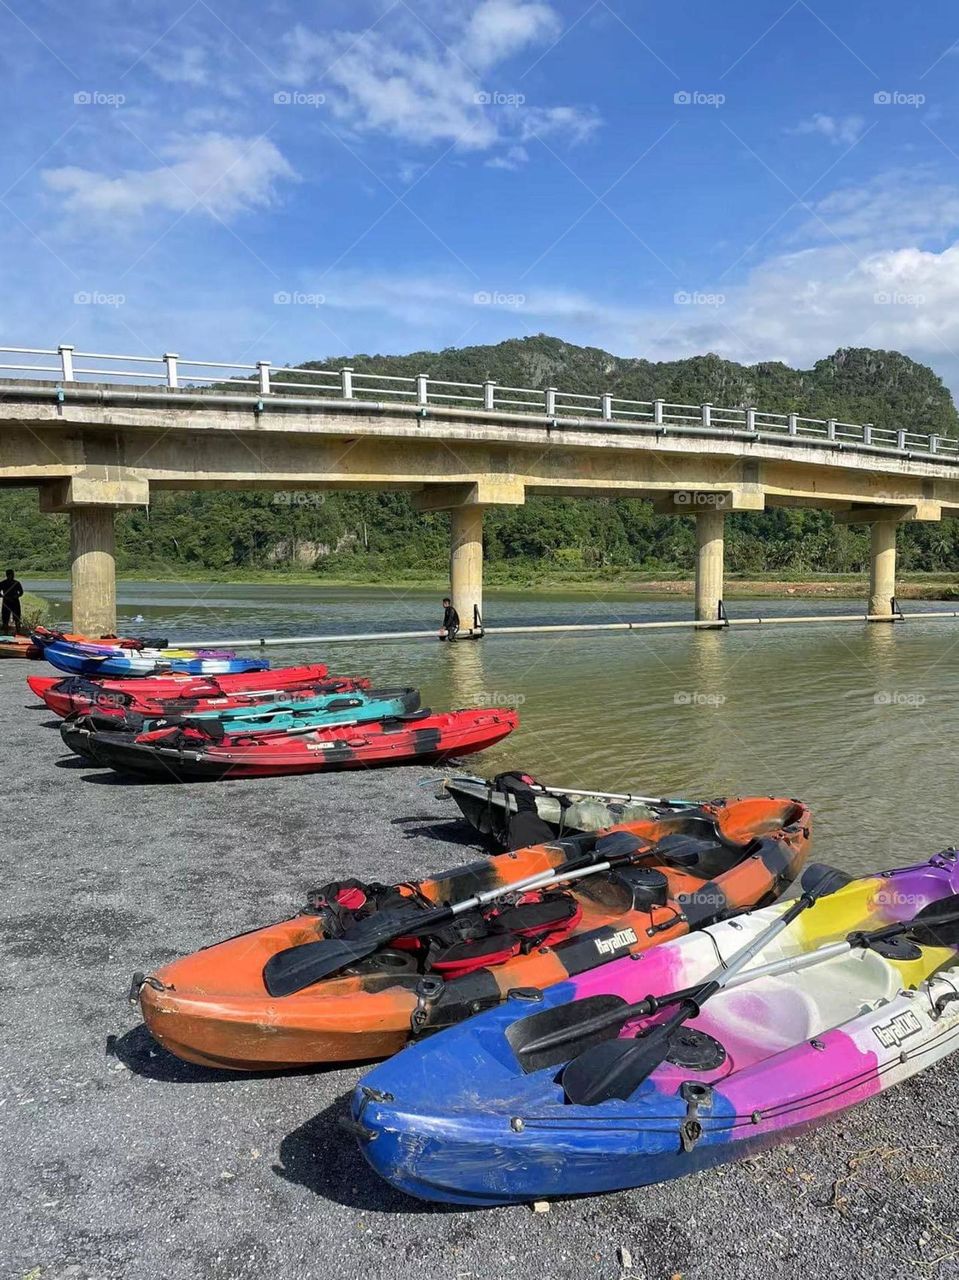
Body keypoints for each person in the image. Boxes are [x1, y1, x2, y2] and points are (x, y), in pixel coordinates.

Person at [1, 569, 24, 633]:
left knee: (17, 617)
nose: (11, 576)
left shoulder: (16, 583)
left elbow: (21, 592)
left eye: (12, 574)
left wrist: (17, 596)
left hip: (15, 601)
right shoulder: (2, 583)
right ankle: (5, 633)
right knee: (5, 618)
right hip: (6, 602)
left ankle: (18, 632)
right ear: (7, 575)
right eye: (10, 574)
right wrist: (3, 596)